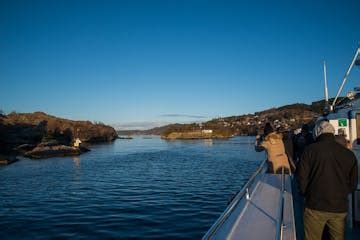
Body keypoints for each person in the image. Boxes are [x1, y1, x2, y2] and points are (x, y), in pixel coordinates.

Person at [296, 121, 358, 240]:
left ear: (316, 133)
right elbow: (353, 183)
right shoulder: (348, 154)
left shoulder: (309, 150)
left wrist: (306, 194)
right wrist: (342, 193)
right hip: (339, 206)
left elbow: (301, 178)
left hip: (315, 205)